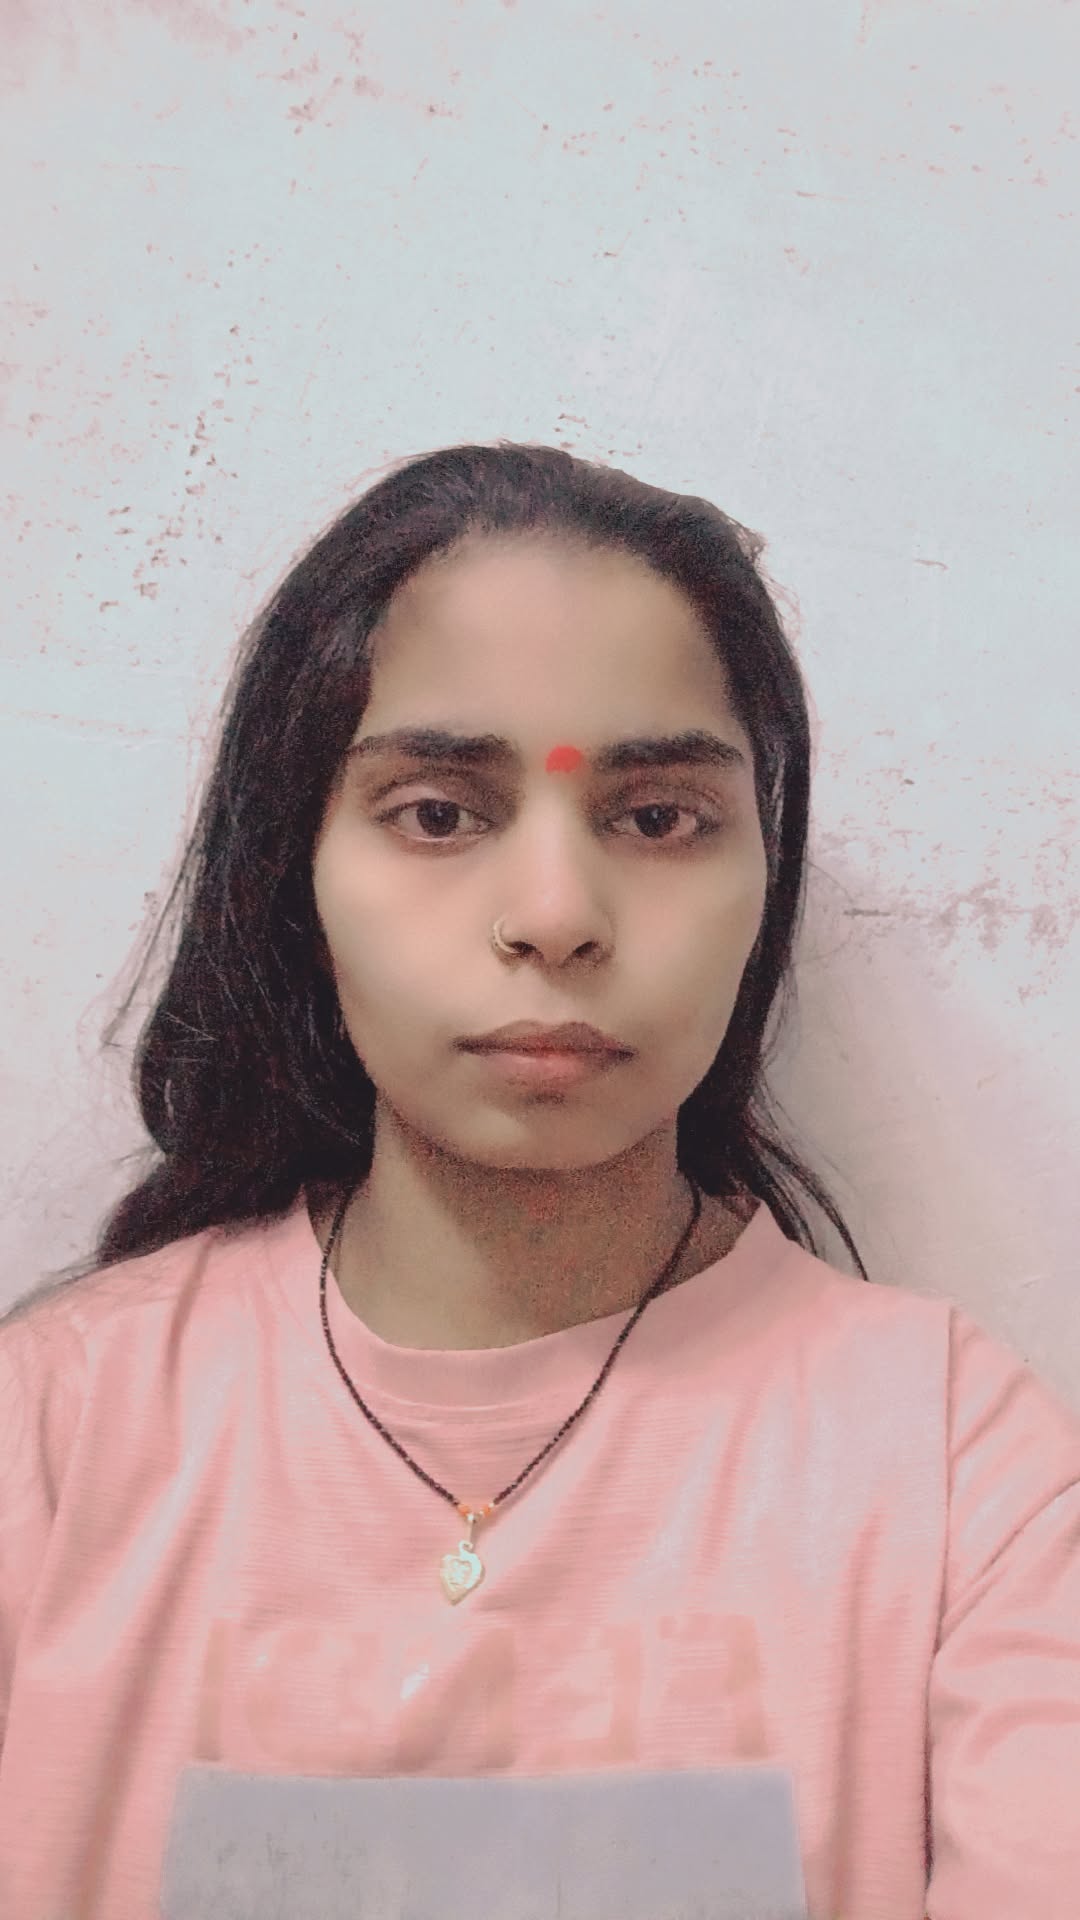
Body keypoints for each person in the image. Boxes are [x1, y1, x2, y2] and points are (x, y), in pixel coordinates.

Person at [1, 441, 1077, 1919]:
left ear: (762, 883)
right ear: (294, 874)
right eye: (439, 811)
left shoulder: (962, 1476)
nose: (557, 916)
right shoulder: (50, 1441)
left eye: (657, 817)